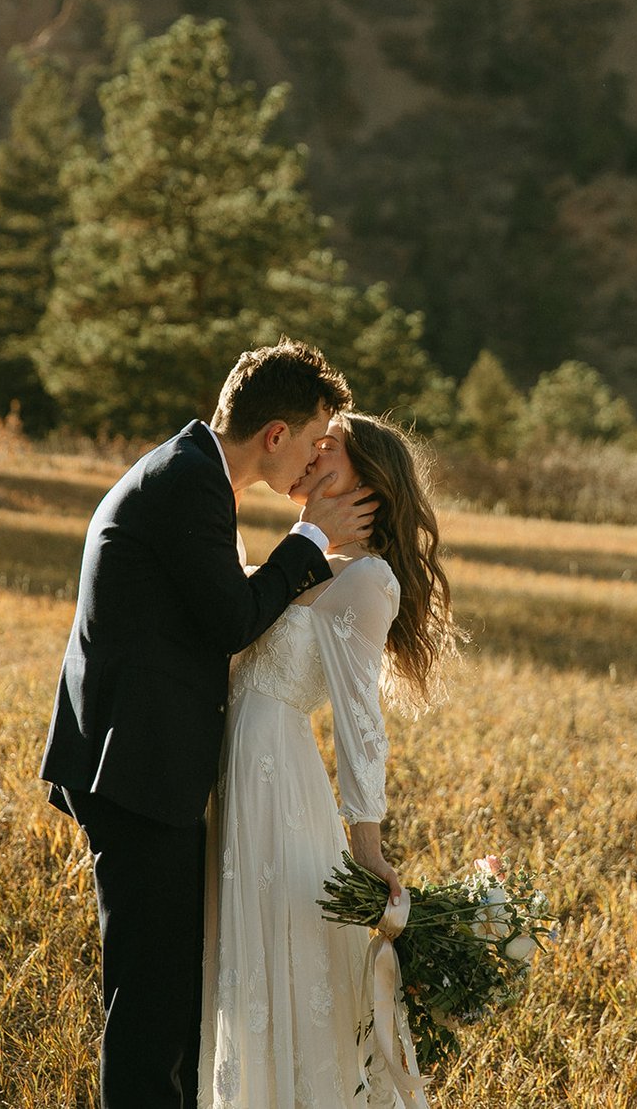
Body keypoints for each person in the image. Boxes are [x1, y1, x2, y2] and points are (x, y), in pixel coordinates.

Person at [39, 340, 378, 1109]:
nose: (314, 462)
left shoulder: (192, 473)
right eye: (314, 439)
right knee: (151, 1005)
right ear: (274, 436)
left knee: (169, 997)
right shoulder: (191, 483)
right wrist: (312, 541)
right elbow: (232, 619)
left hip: (140, 764)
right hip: (136, 772)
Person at [198, 411, 452, 1109]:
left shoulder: (367, 580)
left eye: (328, 451)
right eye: (312, 446)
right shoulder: (303, 553)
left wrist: (365, 845)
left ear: (369, 481)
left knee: (280, 957)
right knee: (234, 959)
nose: (310, 458)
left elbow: (359, 720)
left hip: (275, 776)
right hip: (229, 766)